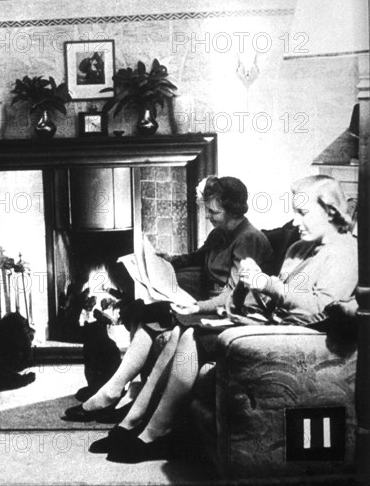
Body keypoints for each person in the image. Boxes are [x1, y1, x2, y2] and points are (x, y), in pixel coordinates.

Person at [95, 174, 359, 463]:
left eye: (303, 212)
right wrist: (254, 289)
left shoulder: (345, 252)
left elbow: (318, 308)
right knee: (180, 332)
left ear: (331, 211)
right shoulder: (298, 248)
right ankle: (133, 422)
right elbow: (277, 297)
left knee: (192, 335)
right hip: (267, 322)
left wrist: (265, 284)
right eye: (294, 212)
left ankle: (155, 432)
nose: (295, 222)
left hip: (293, 334)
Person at [63, 175, 272, 421]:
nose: (208, 216)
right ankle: (120, 392)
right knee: (146, 311)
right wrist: (169, 259)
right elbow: (197, 257)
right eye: (207, 210)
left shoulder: (249, 239)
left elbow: (232, 295)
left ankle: (113, 394)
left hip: (229, 310)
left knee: (158, 314)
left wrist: (196, 306)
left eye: (213, 211)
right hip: (208, 303)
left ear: (232, 209)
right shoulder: (220, 234)